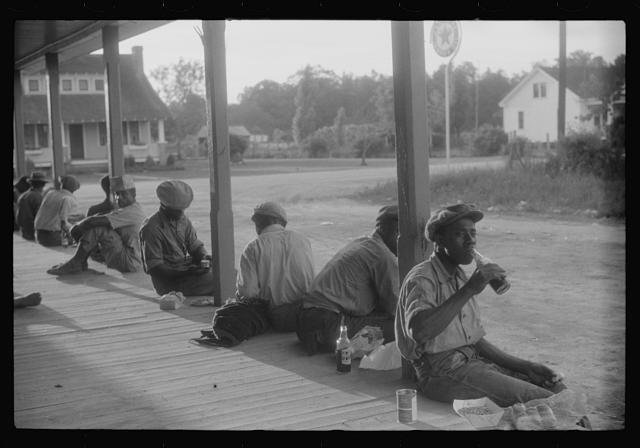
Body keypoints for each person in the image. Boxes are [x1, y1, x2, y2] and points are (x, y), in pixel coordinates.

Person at [395, 203, 567, 408]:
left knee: (556, 389)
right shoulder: (423, 277)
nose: (470, 241)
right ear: (440, 240)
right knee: (546, 401)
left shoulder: (458, 275)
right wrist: (469, 290)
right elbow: (420, 332)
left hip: (471, 363)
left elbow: (474, 340)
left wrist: (525, 367)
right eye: (460, 234)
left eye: (473, 233)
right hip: (440, 373)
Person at [296, 205, 400, 355]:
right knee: (398, 326)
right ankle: (348, 350)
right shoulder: (382, 255)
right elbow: (395, 308)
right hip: (327, 325)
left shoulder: (362, 242)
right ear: (395, 232)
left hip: (305, 323)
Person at [234, 201, 315, 331]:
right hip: (307, 313)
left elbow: (248, 292)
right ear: (279, 221)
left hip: (277, 319)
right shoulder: (302, 239)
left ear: (259, 223)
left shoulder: (253, 247)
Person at [46, 175, 146, 276]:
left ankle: (76, 262)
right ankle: (80, 261)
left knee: (98, 228)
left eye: (124, 194)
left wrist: (77, 228)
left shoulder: (131, 212)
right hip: (131, 258)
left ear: (134, 195)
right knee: (99, 224)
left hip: (129, 261)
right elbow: (101, 217)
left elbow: (95, 221)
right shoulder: (132, 208)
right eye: (116, 194)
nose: (119, 198)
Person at [139, 179, 215, 297]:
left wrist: (204, 258)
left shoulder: (182, 220)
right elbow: (156, 269)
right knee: (220, 280)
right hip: (169, 283)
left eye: (183, 209)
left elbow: (195, 246)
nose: (181, 213)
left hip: (186, 270)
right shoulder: (151, 228)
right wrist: (186, 273)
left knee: (228, 272)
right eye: (177, 210)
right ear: (164, 206)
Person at [34, 175, 83, 247]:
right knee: (84, 239)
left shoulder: (50, 193)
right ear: (74, 188)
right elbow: (64, 224)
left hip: (39, 235)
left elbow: (53, 214)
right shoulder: (68, 198)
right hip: (52, 237)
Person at [16, 171, 49, 241]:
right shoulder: (38, 197)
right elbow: (40, 217)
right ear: (43, 185)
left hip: (23, 231)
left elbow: (18, 217)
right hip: (34, 232)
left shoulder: (23, 195)